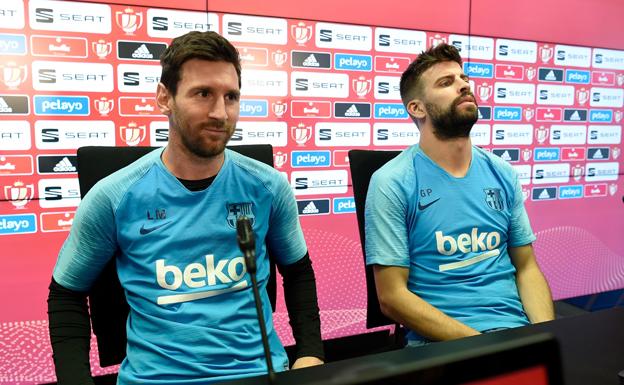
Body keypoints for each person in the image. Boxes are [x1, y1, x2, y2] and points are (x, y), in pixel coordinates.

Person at [47, 31, 324, 384]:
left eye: (231, 96)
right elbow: (66, 293)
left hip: (261, 374)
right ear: (165, 97)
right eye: (203, 94)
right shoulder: (114, 196)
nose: (221, 113)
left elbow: (298, 271)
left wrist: (311, 353)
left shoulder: (269, 186)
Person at [365, 43, 554, 346]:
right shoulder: (391, 182)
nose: (464, 86)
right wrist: (483, 347)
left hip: (515, 336)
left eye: (463, 79)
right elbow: (391, 297)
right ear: (417, 108)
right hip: (444, 347)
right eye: (446, 82)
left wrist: (543, 338)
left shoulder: (502, 172)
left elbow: (526, 266)